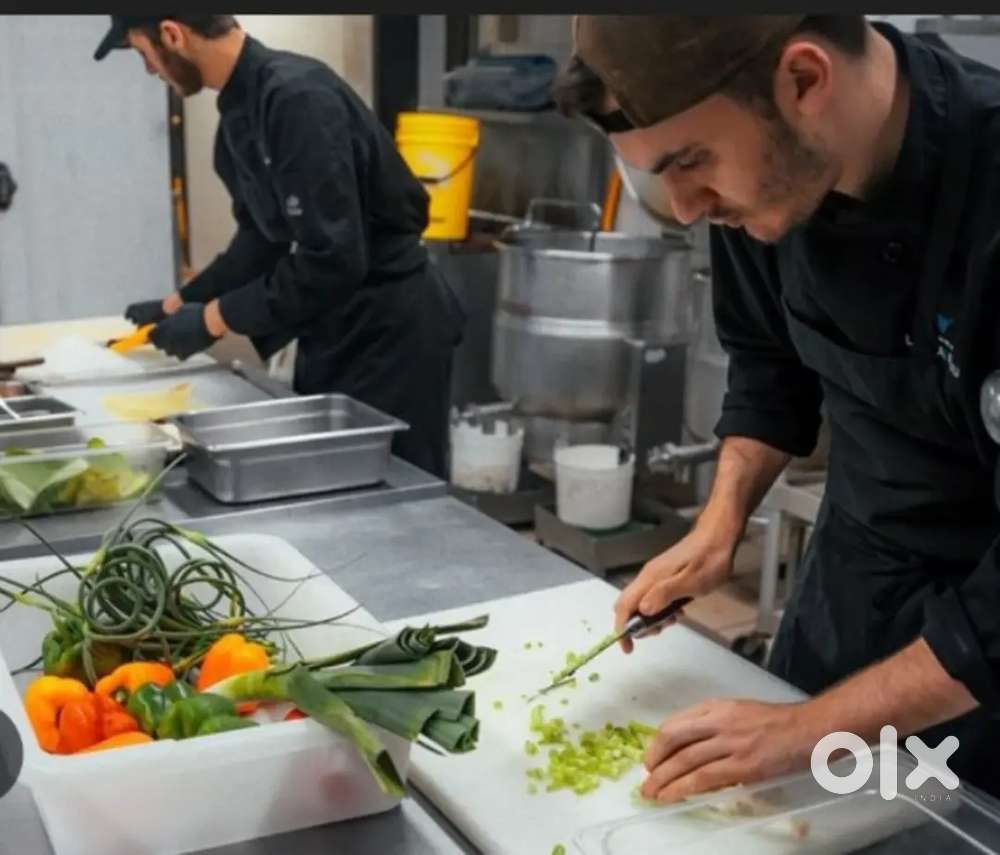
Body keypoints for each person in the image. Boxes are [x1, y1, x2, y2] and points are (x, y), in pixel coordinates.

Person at [556, 15, 1000, 801]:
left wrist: (805, 731)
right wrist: (720, 523)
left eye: (691, 162)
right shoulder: (765, 184)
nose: (686, 208)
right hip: (854, 583)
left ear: (803, 80)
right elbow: (767, 363)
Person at [94, 15, 464, 478]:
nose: (151, 71)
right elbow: (260, 241)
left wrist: (213, 319)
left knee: (397, 496)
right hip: (334, 328)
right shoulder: (239, 116)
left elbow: (332, 259)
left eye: (144, 55)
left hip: (389, 331)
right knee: (335, 487)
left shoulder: (297, 98)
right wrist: (180, 303)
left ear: (172, 35)